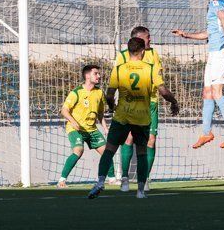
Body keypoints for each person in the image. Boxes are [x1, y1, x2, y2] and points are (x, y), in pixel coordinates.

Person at [88, 37, 179, 199]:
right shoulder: (150, 68)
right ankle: (140, 191)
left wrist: (111, 106)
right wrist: (174, 102)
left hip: (122, 116)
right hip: (142, 118)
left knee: (109, 150)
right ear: (143, 51)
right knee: (142, 152)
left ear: (128, 51)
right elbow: (163, 91)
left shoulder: (119, 68)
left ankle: (101, 182)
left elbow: (109, 94)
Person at [172, 0, 224, 149]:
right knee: (207, 93)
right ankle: (206, 132)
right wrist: (186, 35)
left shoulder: (216, 5)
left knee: (217, 93)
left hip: (219, 53)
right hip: (214, 53)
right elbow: (210, 33)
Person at [112, 26, 175, 192]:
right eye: (148, 37)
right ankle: (124, 178)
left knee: (151, 140)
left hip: (150, 103)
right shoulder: (122, 56)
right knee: (129, 139)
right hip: (129, 104)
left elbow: (157, 80)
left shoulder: (153, 54)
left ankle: (145, 178)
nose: (150, 39)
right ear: (139, 39)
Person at [58, 64, 116, 187]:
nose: (99, 76)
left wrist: (105, 128)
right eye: (96, 73)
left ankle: (112, 179)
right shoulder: (76, 92)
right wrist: (73, 121)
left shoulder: (99, 92)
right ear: (87, 75)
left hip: (91, 129)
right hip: (76, 129)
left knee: (107, 152)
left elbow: (100, 113)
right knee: (78, 150)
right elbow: (64, 110)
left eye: (99, 74)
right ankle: (61, 180)